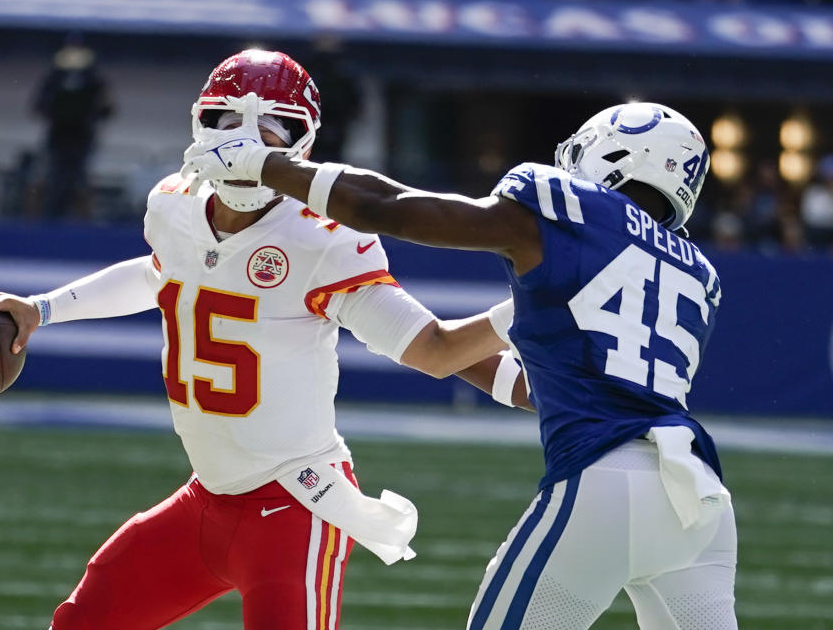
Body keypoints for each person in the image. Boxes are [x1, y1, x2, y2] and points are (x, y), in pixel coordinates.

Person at [0, 50, 526, 630]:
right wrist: (41, 309)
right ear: (201, 124)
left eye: (270, 128)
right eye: (229, 123)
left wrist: (526, 308)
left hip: (295, 506)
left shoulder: (321, 240)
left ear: (301, 142)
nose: (244, 143)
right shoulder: (175, 204)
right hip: (205, 499)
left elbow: (432, 349)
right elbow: (160, 275)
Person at [186, 100, 736, 629]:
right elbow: (543, 387)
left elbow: (385, 209)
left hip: (604, 482)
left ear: (616, 157)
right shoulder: (697, 276)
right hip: (700, 500)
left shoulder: (571, 210)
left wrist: (264, 164)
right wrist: (433, 343)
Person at [32, 35, 113, 219]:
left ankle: (81, 222)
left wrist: (86, 113)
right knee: (55, 179)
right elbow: (38, 106)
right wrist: (60, 113)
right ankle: (51, 218)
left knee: (80, 180)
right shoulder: (53, 78)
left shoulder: (93, 79)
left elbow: (107, 109)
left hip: (82, 138)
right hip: (58, 138)